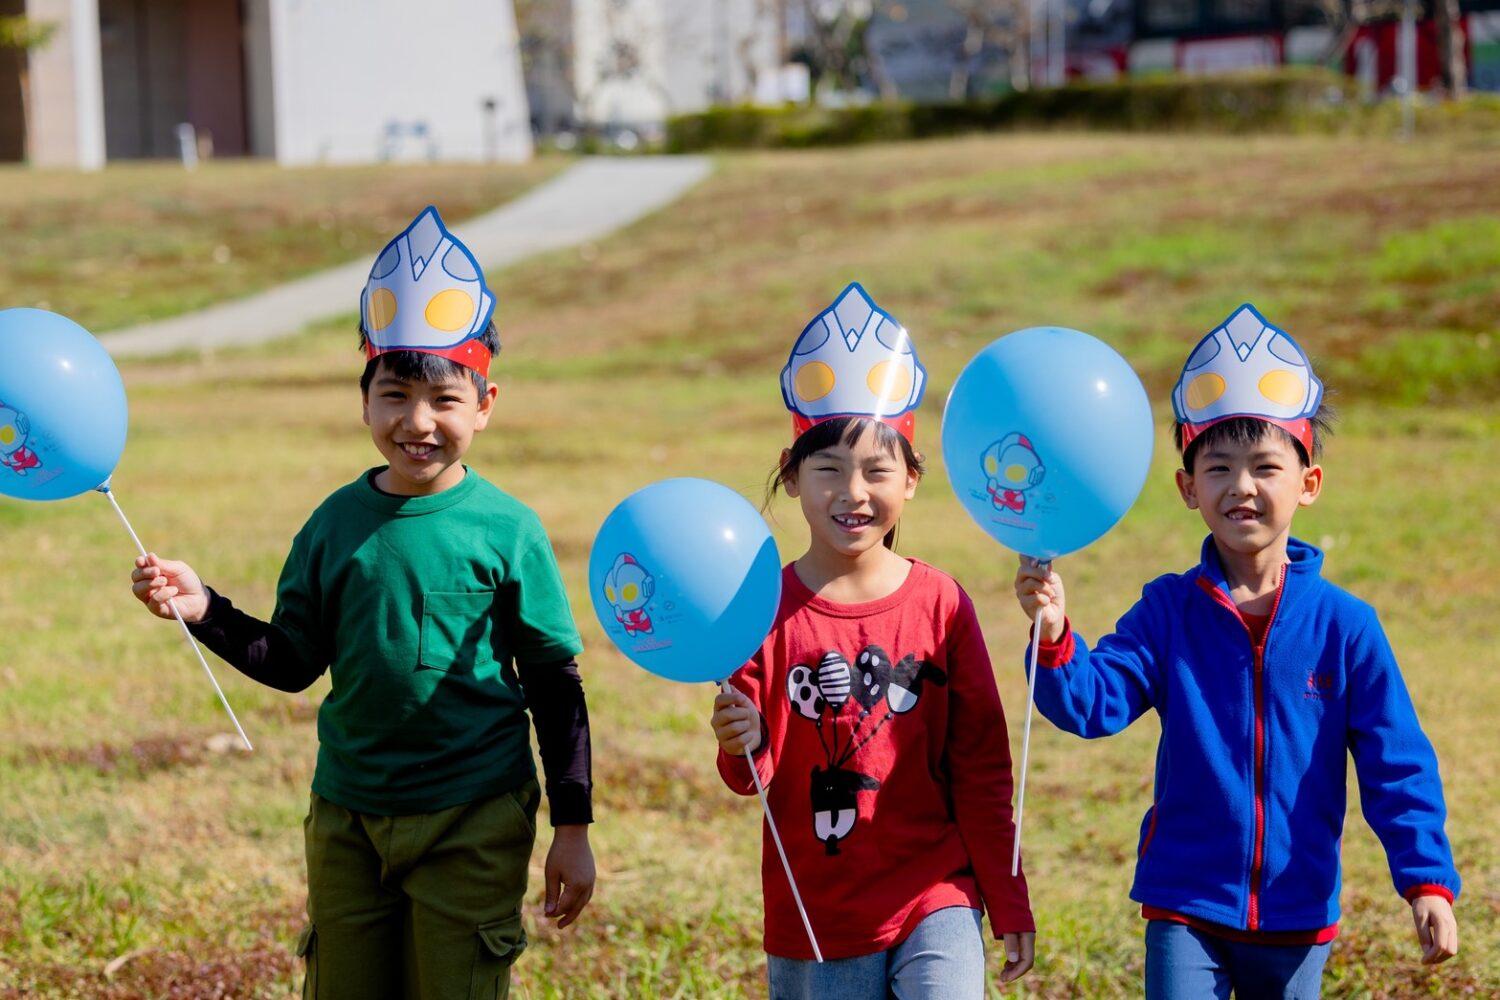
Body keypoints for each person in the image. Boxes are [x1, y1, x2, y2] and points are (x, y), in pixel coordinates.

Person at [129, 206, 595, 1000]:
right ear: (365, 399)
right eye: (396, 395)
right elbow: (293, 662)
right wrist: (205, 608)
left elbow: (554, 682)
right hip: (348, 815)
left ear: (485, 404)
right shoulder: (334, 524)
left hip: (474, 815)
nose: (418, 422)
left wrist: (574, 828)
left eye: (445, 400)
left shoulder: (510, 531)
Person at [1013, 304, 1460, 998]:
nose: (1241, 486)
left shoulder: (1348, 627)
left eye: (1265, 466)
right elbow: (1092, 704)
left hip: (1298, 912)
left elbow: (1395, 763)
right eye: (1218, 467)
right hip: (1184, 906)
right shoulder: (1168, 610)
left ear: (1308, 484)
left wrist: (1425, 880)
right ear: (1188, 488)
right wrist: (1054, 637)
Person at [711, 283, 1036, 999]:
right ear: (792, 479)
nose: (852, 492)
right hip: (816, 909)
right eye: (827, 469)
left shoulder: (942, 602)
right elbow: (748, 779)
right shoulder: (759, 608)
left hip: (935, 889)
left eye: (878, 471)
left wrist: (1006, 895)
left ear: (912, 481)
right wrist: (741, 740)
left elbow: (980, 764)